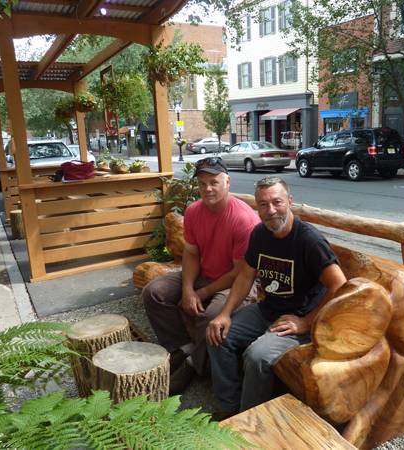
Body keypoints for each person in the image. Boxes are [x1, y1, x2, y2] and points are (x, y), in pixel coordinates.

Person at [206, 176, 347, 420]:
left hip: (299, 319)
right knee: (217, 334)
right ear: (257, 207)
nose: (270, 210)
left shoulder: (309, 240)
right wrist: (225, 314)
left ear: (290, 202)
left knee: (257, 356)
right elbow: (245, 277)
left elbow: (340, 285)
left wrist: (306, 322)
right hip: (267, 309)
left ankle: (248, 420)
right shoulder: (260, 233)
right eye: (263, 204)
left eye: (277, 202)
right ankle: (229, 405)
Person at [142, 157, 261, 395]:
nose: (208, 188)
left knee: (210, 317)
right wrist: (187, 290)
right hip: (205, 273)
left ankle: (191, 366)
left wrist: (201, 293)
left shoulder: (244, 219)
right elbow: (191, 254)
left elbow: (240, 272)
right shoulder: (194, 211)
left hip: (240, 281)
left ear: (228, 182)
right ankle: (185, 348)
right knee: (153, 293)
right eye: (203, 183)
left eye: (214, 182)